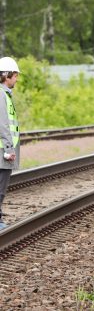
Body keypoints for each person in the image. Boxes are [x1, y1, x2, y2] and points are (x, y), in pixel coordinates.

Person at [0, 56, 21, 231]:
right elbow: (3, 123)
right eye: (15, 76)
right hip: (2, 150)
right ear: (6, 76)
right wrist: (9, 148)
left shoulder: (4, 94)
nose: (16, 79)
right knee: (1, 186)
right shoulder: (1, 94)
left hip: (2, 148)